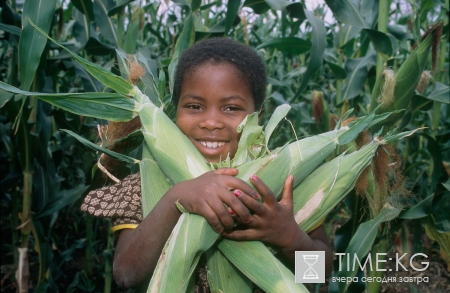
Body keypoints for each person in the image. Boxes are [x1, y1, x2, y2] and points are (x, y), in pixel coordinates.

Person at [81, 37, 333, 291]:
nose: (211, 122)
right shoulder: (146, 185)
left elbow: (322, 276)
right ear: (174, 110)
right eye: (194, 106)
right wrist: (175, 199)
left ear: (259, 115)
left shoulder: (281, 186)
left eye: (231, 108)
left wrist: (289, 238)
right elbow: (126, 274)